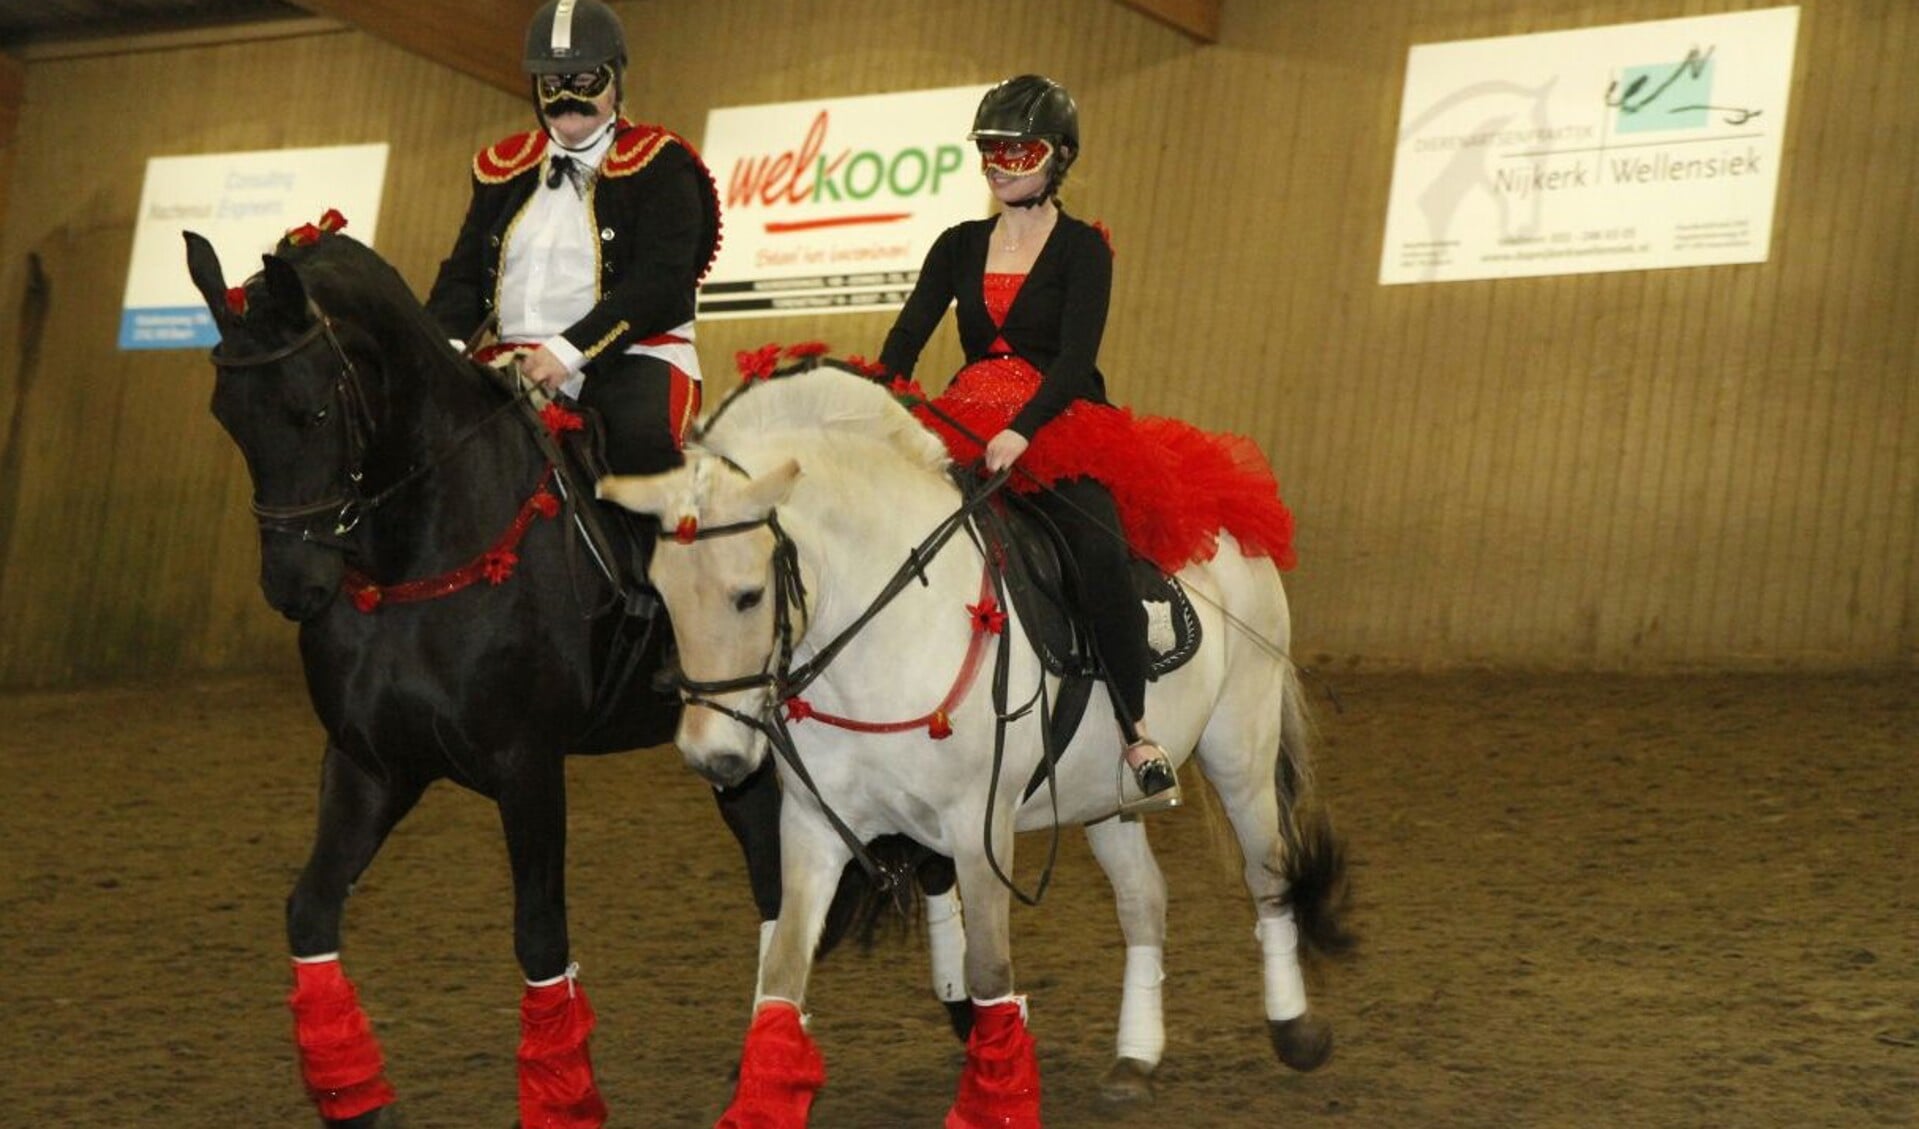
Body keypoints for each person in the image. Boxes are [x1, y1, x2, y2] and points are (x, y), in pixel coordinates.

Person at [879, 75, 1187, 811]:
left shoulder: (1083, 249)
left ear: (1058, 157)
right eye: (991, 149)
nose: (1001, 163)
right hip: (961, 417)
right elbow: (908, 334)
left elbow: (1077, 358)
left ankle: (1134, 726)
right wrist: (877, 391)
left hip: (1058, 420)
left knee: (1096, 549)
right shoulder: (957, 245)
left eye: (1019, 150)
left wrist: (1024, 428)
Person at [426, 0, 720, 477]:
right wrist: (442, 351)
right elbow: (463, 278)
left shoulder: (660, 162)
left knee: (639, 453)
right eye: (552, 84)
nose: (567, 97)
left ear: (616, 80)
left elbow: (660, 282)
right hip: (511, 365)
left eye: (585, 83)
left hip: (631, 356)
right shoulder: (504, 170)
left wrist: (568, 352)